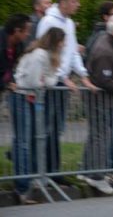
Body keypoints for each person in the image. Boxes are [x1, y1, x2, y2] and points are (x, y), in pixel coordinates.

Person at [36, 0, 95, 180]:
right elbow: (45, 52)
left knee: (57, 128)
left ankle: (54, 171)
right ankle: (42, 171)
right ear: (63, 3)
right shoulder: (48, 21)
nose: (77, 5)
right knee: (46, 128)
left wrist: (83, 75)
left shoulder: (69, 23)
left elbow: (72, 52)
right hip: (51, 80)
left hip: (62, 80)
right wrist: (62, 76)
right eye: (74, 1)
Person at [11, 27, 65, 205]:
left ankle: (30, 179)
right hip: (23, 97)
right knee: (25, 142)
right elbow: (37, 82)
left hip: (30, 98)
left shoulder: (46, 55)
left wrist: (47, 80)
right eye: (62, 41)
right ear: (56, 42)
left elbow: (48, 79)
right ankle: (22, 186)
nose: (64, 45)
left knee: (34, 139)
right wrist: (47, 81)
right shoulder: (40, 54)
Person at [83, 16, 113, 194]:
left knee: (97, 133)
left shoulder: (112, 43)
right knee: (101, 135)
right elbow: (103, 78)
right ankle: (96, 176)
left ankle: (87, 170)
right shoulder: (105, 50)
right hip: (99, 98)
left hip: (105, 98)